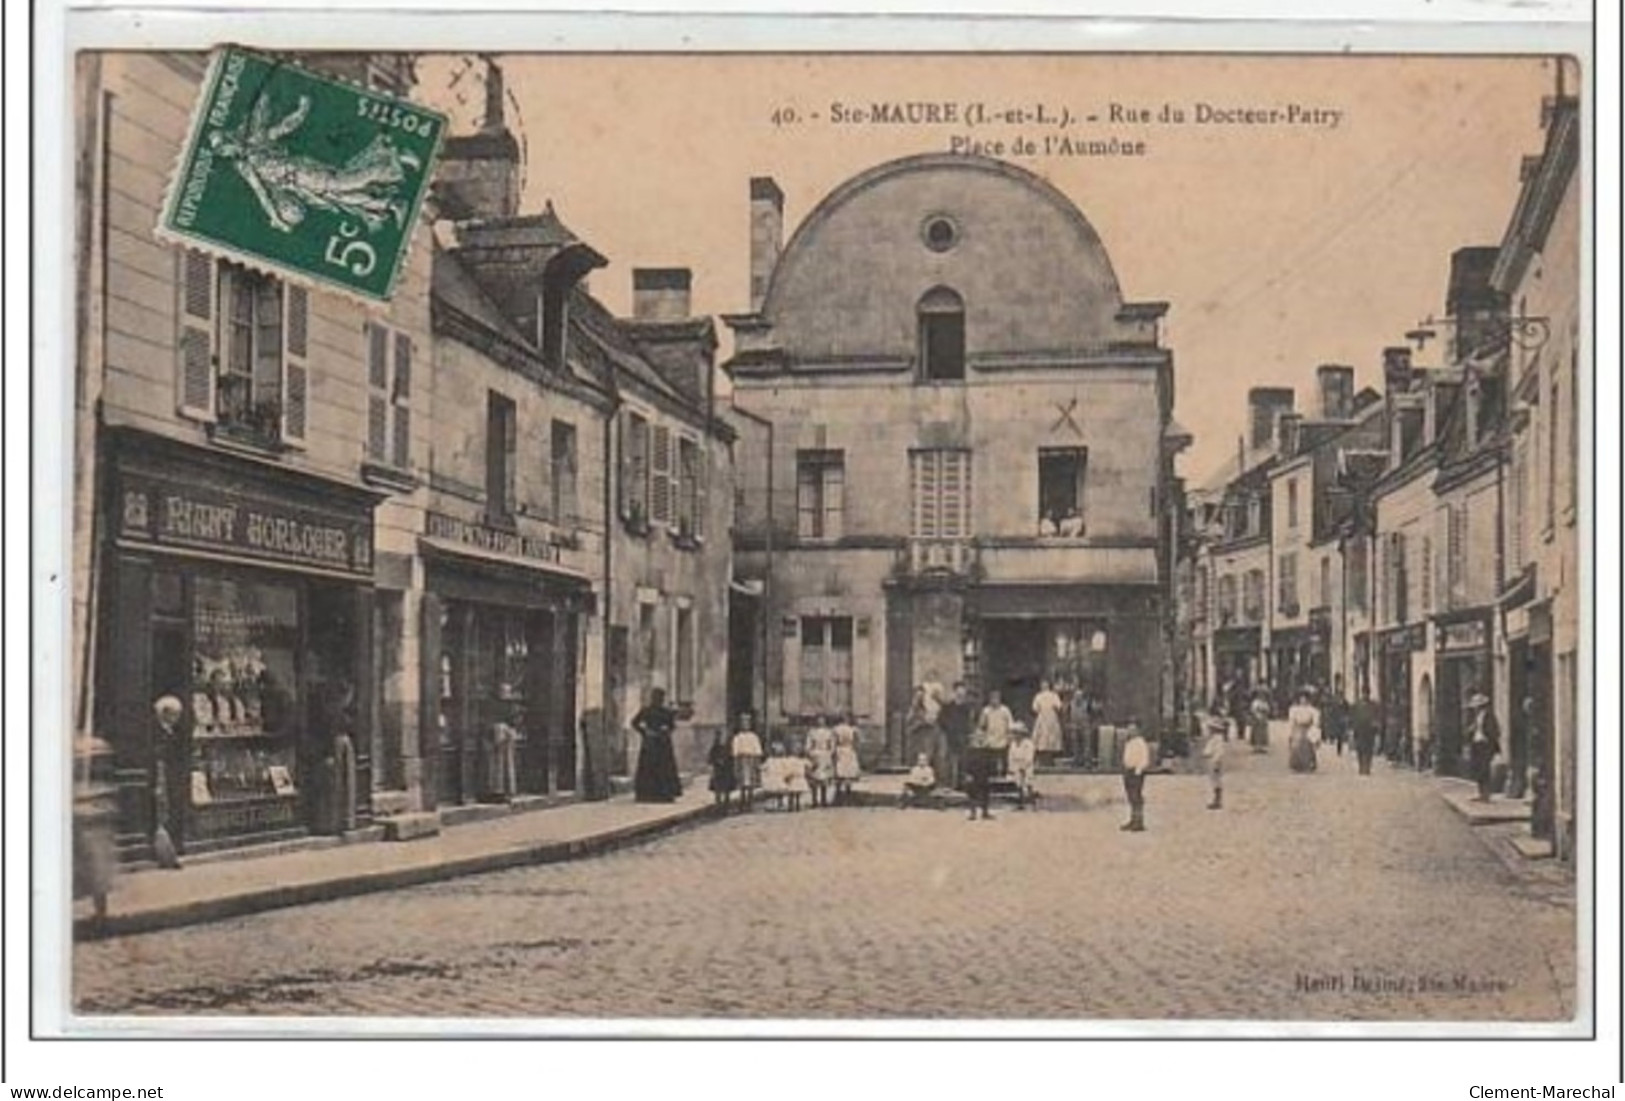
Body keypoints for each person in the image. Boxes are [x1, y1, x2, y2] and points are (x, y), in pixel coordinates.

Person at [150, 696, 186, 869]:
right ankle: (165, 853)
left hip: (172, 777)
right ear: (164, 713)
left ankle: (171, 849)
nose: (177, 718)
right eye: (174, 714)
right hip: (161, 776)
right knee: (162, 812)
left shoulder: (174, 732)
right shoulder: (156, 733)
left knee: (170, 810)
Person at [631, 687, 682, 803]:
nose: (658, 700)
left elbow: (672, 726)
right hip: (650, 744)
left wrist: (666, 730)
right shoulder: (646, 711)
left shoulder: (667, 712)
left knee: (664, 769)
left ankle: (665, 794)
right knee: (648, 769)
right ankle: (646, 794)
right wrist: (645, 732)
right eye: (655, 697)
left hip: (663, 744)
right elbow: (634, 723)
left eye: (660, 698)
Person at [1466, 691, 1501, 802]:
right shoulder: (1476, 718)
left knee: (1485, 769)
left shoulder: (1489, 716)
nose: (1475, 708)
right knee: (1478, 769)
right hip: (1476, 745)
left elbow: (1495, 731)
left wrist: (1488, 738)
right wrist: (1471, 731)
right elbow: (1472, 730)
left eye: (1477, 706)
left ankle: (1486, 794)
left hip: (1486, 746)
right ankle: (1481, 793)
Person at [937, 684, 973, 792]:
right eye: (958, 694)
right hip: (949, 737)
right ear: (954, 693)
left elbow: (969, 723)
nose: (960, 697)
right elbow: (941, 720)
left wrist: (968, 734)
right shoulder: (948, 707)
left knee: (963, 761)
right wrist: (949, 727)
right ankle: (948, 784)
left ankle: (961, 785)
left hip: (962, 738)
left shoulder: (966, 709)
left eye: (962, 695)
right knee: (949, 761)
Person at [1120, 721, 1151, 832]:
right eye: (1129, 729)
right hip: (1128, 771)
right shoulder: (1129, 742)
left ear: (1138, 731)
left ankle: (1139, 821)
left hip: (1136, 772)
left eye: (1133, 729)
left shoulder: (1140, 743)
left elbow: (1144, 758)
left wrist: (1138, 771)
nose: (1130, 731)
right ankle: (1133, 819)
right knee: (1131, 797)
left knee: (1136, 797)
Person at [977, 689, 1015, 779]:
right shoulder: (986, 711)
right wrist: (981, 737)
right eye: (992, 699)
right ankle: (991, 774)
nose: (994, 701)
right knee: (990, 760)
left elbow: (1010, 724)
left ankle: (1003, 775)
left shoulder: (1005, 710)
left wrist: (1009, 736)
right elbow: (981, 725)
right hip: (990, 740)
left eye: (996, 698)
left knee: (1003, 758)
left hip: (1003, 739)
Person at [731, 713, 764, 812]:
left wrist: (757, 763)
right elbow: (735, 752)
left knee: (750, 783)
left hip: (751, 760)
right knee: (742, 783)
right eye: (743, 723)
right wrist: (736, 762)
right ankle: (742, 802)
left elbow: (758, 751)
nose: (745, 725)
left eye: (747, 722)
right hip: (742, 760)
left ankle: (750, 803)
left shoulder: (753, 737)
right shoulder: (738, 737)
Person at [804, 715, 836, 809]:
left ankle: (823, 799)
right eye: (818, 720)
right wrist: (810, 753)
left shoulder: (829, 732)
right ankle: (814, 800)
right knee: (814, 779)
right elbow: (808, 744)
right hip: (815, 755)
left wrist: (829, 753)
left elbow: (832, 745)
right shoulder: (812, 732)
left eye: (822, 720)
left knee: (824, 779)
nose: (820, 722)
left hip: (825, 755)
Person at [1286, 689, 1321, 774]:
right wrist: (1290, 733)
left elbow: (1316, 722)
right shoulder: (1294, 709)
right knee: (1296, 746)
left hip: (1308, 729)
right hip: (1298, 729)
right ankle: (1297, 765)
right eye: (1301, 699)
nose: (1303, 701)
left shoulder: (1312, 710)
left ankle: (1308, 764)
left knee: (1308, 747)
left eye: (1305, 699)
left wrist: (1315, 731)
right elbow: (1292, 721)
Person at [1030, 680, 1065, 763]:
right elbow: (1035, 708)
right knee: (1042, 736)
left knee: (1050, 736)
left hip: (1050, 717)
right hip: (1043, 717)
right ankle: (1044, 757)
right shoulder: (1039, 696)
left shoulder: (1053, 695)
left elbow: (1059, 707)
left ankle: (1049, 757)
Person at [1350, 686, 1381, 777]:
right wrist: (1352, 729)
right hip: (1359, 730)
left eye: (1366, 693)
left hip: (1370, 731)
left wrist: (1376, 727)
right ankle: (1361, 766)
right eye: (1364, 693)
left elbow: (1376, 717)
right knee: (1359, 749)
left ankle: (1367, 767)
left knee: (1369, 749)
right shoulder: (1356, 705)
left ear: (1369, 694)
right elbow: (1353, 717)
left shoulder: (1373, 705)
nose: (1365, 695)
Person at [832, 714, 862, 805]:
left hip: (840, 749)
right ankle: (847, 796)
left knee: (840, 773)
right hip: (849, 750)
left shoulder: (836, 729)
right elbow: (857, 741)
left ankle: (839, 796)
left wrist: (833, 752)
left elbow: (834, 742)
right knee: (847, 773)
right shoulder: (852, 729)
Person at [1202, 710, 1228, 810]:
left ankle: (1217, 800)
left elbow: (1219, 752)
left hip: (1215, 761)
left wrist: (1216, 762)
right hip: (1211, 761)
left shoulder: (1217, 739)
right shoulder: (1213, 739)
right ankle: (1215, 799)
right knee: (1213, 780)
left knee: (1216, 781)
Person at [1007, 722, 1037, 808]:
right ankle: (1020, 802)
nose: (1015, 735)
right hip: (1016, 765)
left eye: (1017, 733)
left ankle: (1032, 802)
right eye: (1014, 733)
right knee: (1018, 784)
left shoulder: (1028, 744)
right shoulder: (1013, 744)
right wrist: (1012, 766)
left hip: (1026, 765)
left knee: (1028, 783)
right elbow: (1010, 756)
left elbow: (1030, 756)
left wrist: (1024, 766)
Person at [707, 729, 736, 809]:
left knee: (727, 787)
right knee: (718, 788)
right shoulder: (715, 747)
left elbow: (732, 757)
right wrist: (716, 761)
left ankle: (726, 804)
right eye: (719, 737)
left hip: (727, 769)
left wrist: (728, 762)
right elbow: (710, 759)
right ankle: (718, 804)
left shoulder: (728, 747)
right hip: (718, 770)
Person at [1323, 676, 1350, 758]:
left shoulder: (1344, 701)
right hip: (1337, 719)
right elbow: (1331, 709)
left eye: (1341, 695)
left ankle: (1339, 748)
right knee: (1338, 734)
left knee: (1340, 735)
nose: (1340, 696)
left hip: (1341, 720)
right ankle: (1335, 743)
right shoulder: (1334, 700)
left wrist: (1346, 716)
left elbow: (1347, 709)